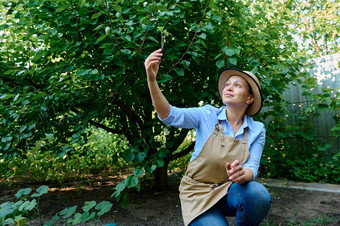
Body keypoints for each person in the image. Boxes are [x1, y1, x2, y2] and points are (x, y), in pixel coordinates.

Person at [144, 48, 271, 226]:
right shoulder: (206, 115)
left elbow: (252, 167)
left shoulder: (257, 130)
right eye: (228, 84)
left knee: (257, 195)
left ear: (250, 98)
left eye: (237, 85)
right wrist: (152, 80)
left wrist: (243, 174)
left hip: (227, 191)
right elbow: (169, 115)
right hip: (197, 193)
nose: (229, 87)